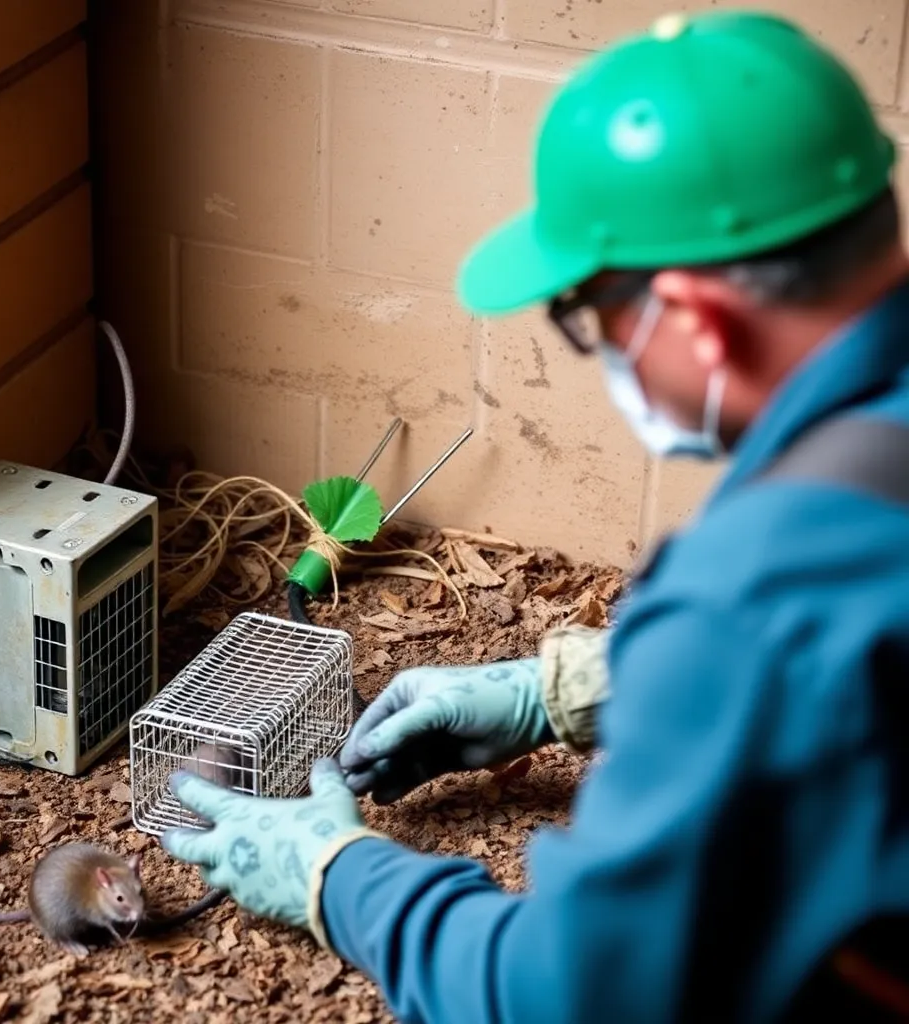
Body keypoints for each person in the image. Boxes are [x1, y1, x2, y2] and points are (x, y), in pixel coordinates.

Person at [161, 9, 909, 1021]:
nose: (600, 354)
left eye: (587, 321)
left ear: (696, 321)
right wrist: (559, 691)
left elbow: (565, 995)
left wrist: (336, 877)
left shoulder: (749, 597)